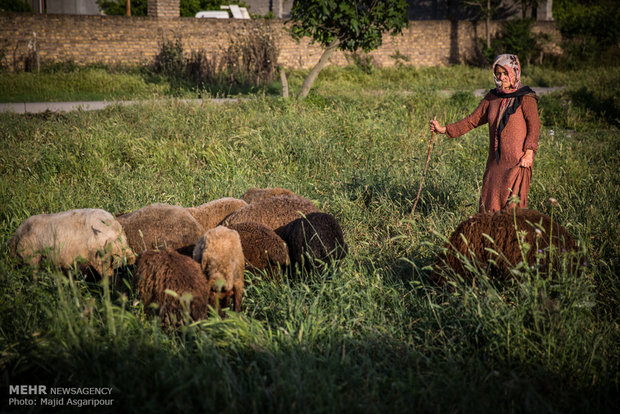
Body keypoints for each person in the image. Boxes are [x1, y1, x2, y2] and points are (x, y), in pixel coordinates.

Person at [430, 54, 541, 213]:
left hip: (518, 163)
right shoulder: (492, 98)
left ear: (514, 72)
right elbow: (471, 121)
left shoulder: (526, 97)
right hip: (495, 164)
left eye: (505, 73)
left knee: (513, 213)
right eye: (498, 73)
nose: (501, 77)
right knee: (489, 211)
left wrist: (529, 153)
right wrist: (445, 129)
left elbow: (534, 127)